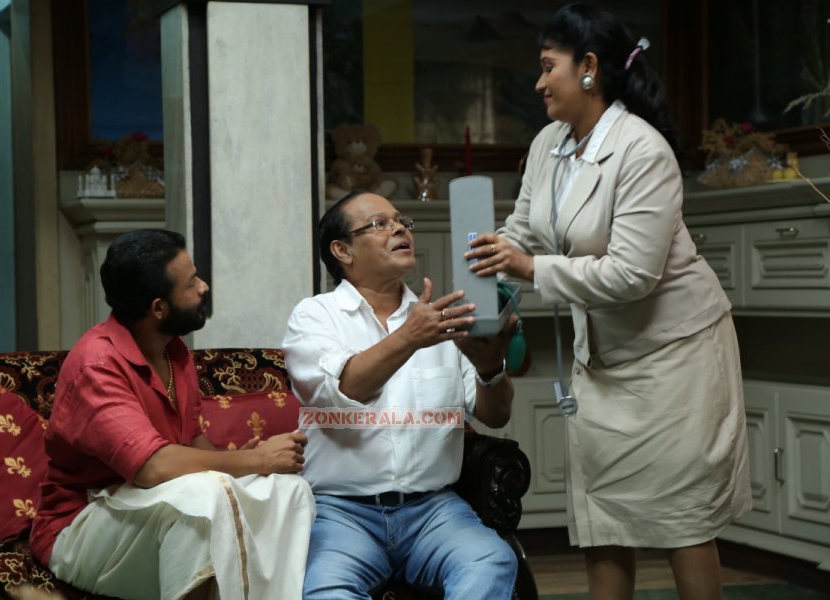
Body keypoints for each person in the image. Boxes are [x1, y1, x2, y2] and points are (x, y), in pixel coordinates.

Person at [464, 4, 752, 600]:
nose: (539, 82)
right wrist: (489, 275)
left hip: (675, 361)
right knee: (603, 523)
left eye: (548, 67)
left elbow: (633, 274)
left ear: (589, 67)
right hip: (602, 362)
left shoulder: (644, 151)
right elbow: (524, 228)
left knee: (682, 522)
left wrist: (528, 267)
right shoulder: (548, 144)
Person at [29, 229, 315, 600]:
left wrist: (243, 467)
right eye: (191, 282)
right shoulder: (96, 365)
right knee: (203, 497)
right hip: (83, 524)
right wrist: (254, 460)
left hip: (154, 507)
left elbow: (191, 440)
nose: (203, 287)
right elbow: (152, 468)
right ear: (158, 308)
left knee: (289, 490)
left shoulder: (174, 351)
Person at [282, 192, 519, 599]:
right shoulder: (315, 316)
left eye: (400, 221)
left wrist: (490, 367)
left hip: (433, 511)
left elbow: (495, 415)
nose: (398, 229)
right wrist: (409, 337)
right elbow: (347, 388)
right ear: (342, 251)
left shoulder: (442, 321)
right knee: (326, 591)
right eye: (379, 224)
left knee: (491, 561)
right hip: (342, 512)